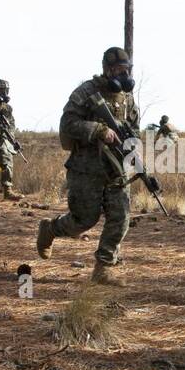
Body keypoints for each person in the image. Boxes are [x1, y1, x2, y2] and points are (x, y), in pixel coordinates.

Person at [36, 48, 139, 286]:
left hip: (117, 168)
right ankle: (50, 230)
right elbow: (68, 124)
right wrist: (99, 130)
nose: (124, 75)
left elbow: (134, 127)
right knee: (84, 220)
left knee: (120, 218)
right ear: (108, 69)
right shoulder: (85, 92)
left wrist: (133, 147)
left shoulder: (128, 98)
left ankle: (104, 268)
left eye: (127, 70)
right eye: (120, 71)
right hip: (86, 168)